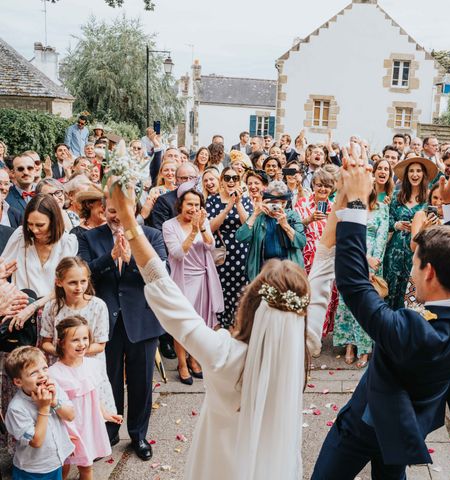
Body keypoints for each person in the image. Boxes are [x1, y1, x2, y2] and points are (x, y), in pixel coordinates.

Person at [104, 174, 336, 479]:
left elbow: (162, 286)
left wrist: (129, 222)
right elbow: (322, 271)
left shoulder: (222, 352)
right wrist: (347, 202)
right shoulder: (304, 345)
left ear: (251, 300)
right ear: (299, 309)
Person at [311, 155, 450, 479]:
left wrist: (356, 201)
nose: (411, 275)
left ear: (429, 272)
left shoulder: (408, 331)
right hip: (407, 424)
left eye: (414, 265)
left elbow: (354, 284)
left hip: (362, 427)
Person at [78, 195, 167, 461]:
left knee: (141, 383)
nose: (116, 216)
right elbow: (82, 273)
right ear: (103, 210)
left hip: (142, 320)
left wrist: (133, 261)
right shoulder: (89, 238)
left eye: (122, 211)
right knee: (109, 380)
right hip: (105, 323)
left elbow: (162, 275)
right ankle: (111, 429)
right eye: (111, 210)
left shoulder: (150, 236)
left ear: (134, 210)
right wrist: (111, 256)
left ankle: (139, 435)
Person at [48, 316, 121, 479]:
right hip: (67, 429)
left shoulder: (92, 366)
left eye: (85, 338)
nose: (82, 344)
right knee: (63, 468)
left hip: (87, 425)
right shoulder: (54, 373)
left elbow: (94, 395)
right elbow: (52, 406)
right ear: (61, 342)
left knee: (87, 468)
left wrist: (105, 413)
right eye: (75, 340)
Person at [164, 185, 224, 383]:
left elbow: (210, 245)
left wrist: (203, 227)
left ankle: (195, 360)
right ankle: (181, 363)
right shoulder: (169, 226)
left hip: (203, 278)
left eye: (197, 205)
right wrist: (192, 232)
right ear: (181, 204)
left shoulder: (203, 221)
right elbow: (177, 253)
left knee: (201, 323)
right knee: (182, 324)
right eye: (189, 204)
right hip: (182, 280)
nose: (193, 208)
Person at [40, 256, 115, 411]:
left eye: (83, 281)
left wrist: (76, 351)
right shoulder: (52, 308)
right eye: (72, 282)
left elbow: (100, 345)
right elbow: (45, 341)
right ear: (59, 282)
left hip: (90, 372)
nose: (79, 287)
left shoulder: (98, 306)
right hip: (62, 373)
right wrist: (62, 352)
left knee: (94, 415)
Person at [333, 185, 389, 368]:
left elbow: (381, 238)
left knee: (366, 305)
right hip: (352, 258)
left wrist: (372, 264)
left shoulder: (382, 208)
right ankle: (350, 344)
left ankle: (364, 349)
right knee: (347, 304)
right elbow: (341, 236)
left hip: (372, 263)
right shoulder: (350, 208)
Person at [4, 346, 75, 480]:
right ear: (18, 381)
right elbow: (36, 442)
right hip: (32, 470)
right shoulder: (16, 408)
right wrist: (44, 408)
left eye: (44, 368)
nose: (42, 374)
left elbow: (70, 416)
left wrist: (54, 402)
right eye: (33, 373)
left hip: (55, 462)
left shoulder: (54, 388)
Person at [383, 156, 437, 309]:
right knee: (389, 288)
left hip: (417, 252)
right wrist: (396, 224)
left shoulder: (429, 199)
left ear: (424, 174)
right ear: (406, 175)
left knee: (410, 292)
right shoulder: (396, 196)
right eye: (411, 171)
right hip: (394, 251)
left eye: (418, 171)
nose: (415, 174)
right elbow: (386, 221)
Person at [206, 167, 253, 328]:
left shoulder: (245, 200)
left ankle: (237, 325)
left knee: (241, 289)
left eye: (234, 178)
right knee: (220, 288)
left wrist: (238, 203)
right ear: (222, 181)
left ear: (239, 182)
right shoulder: (213, 200)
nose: (231, 181)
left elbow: (248, 225)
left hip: (242, 251)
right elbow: (210, 227)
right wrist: (227, 208)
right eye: (227, 178)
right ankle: (220, 325)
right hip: (222, 252)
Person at [237, 181, 306, 281]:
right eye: (271, 202)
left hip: (288, 268)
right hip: (264, 269)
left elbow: (301, 242)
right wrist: (255, 214)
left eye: (277, 202)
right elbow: (240, 237)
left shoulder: (292, 215)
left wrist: (285, 225)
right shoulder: (259, 217)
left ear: (284, 203)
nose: (274, 206)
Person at [295, 169, 335, 273]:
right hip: (304, 259)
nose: (323, 189)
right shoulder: (302, 203)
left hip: (327, 262)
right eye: (319, 185)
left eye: (327, 186)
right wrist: (309, 219)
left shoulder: (334, 208)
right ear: (313, 184)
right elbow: (293, 228)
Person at [148, 162, 199, 231]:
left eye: (192, 178)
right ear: (177, 180)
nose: (188, 181)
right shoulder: (164, 201)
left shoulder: (200, 198)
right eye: (184, 178)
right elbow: (159, 230)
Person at [6, 154, 37, 218]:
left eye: (30, 168)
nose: (26, 172)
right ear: (13, 173)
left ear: (35, 170)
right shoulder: (5, 197)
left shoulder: (44, 193)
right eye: (20, 169)